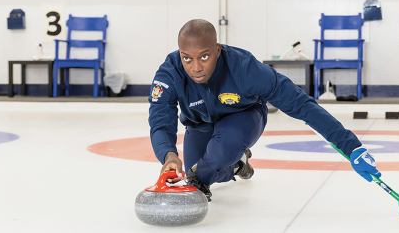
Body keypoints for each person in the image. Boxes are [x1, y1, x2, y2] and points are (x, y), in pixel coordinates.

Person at [148, 19, 381, 201]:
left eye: (205, 56)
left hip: (244, 116)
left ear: (217, 50)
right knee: (201, 169)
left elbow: (300, 104)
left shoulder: (245, 68)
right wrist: (168, 155)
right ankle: (239, 164)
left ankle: (228, 158)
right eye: (187, 58)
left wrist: (352, 147)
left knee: (207, 167)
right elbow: (160, 121)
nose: (196, 67)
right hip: (200, 124)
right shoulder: (169, 74)